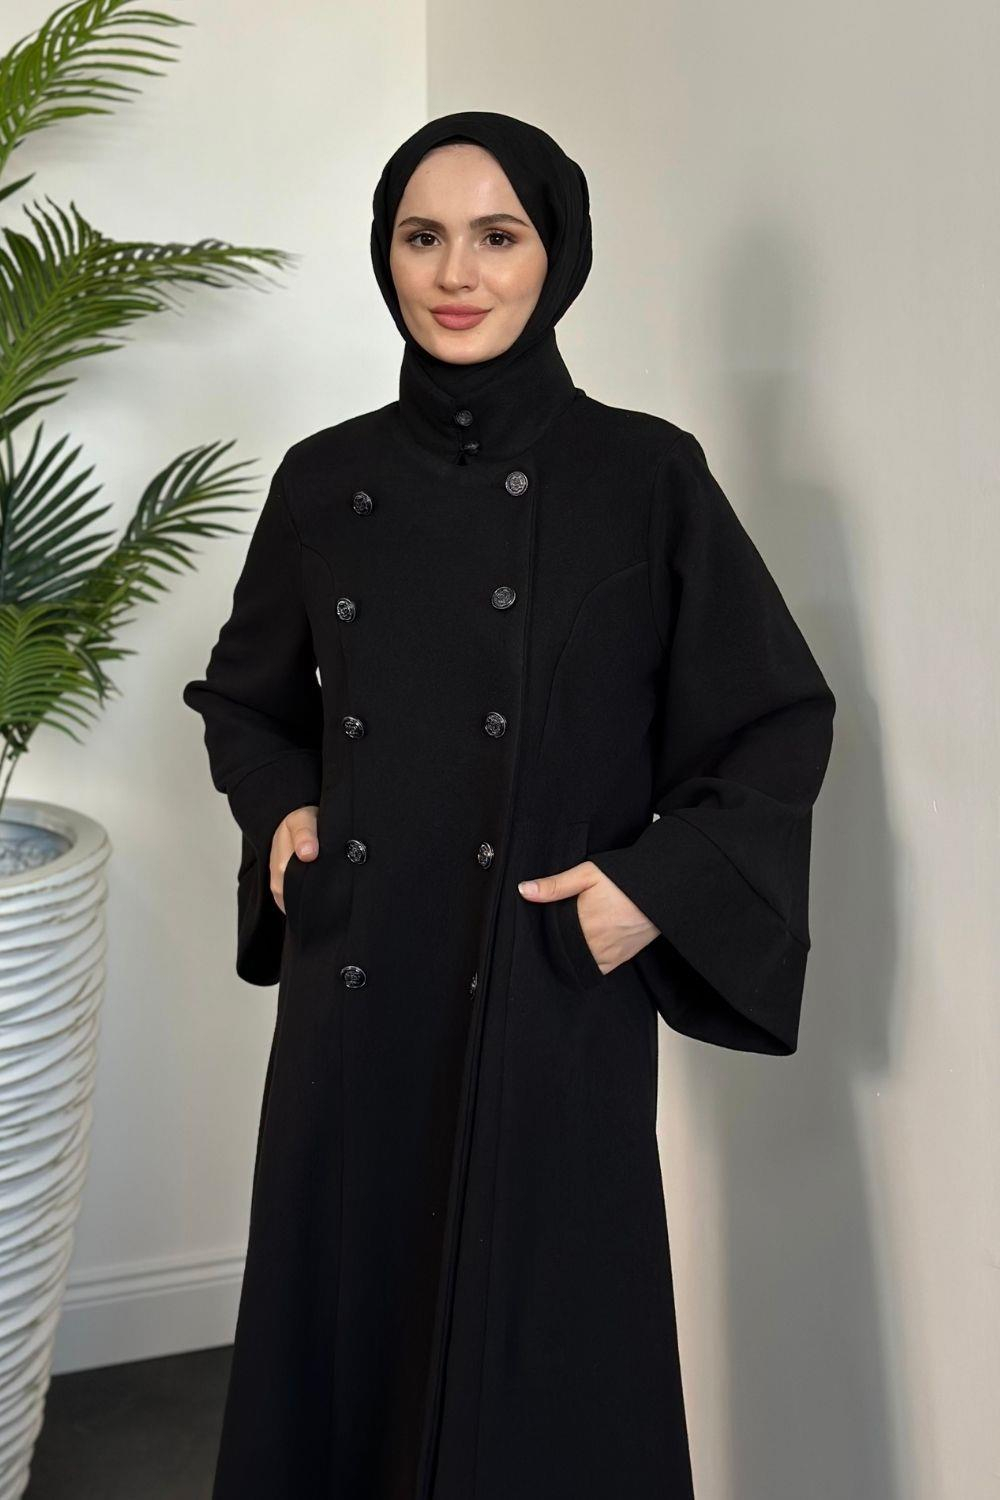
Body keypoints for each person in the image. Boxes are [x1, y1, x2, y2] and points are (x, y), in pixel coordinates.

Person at [182, 109, 836, 1500]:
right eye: (422, 237)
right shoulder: (325, 479)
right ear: (385, 255)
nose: (456, 273)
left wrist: (652, 888)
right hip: (359, 990)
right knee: (347, 1355)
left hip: (545, 984)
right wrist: (282, 804)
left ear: (559, 255)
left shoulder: (645, 476)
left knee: (546, 1373)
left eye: (498, 235)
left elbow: (775, 718)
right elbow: (245, 700)